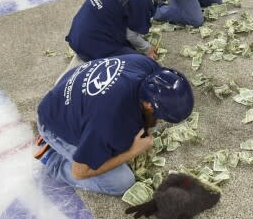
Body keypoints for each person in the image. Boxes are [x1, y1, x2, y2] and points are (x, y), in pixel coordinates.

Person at [35, 55, 194, 195]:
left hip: (68, 92)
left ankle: (78, 133)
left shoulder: (148, 66)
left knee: (145, 129)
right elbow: (80, 171)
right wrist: (133, 151)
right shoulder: (110, 123)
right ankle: (53, 160)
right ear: (149, 105)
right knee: (121, 182)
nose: (161, 119)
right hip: (52, 120)